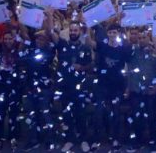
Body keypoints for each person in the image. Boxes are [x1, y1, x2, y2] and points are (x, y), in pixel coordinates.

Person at [54, 21, 93, 151]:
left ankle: (83, 140)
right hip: (65, 86)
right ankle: (69, 140)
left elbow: (90, 66)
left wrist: (81, 67)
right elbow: (50, 33)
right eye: (71, 30)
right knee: (66, 114)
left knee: (81, 114)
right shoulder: (63, 45)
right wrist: (49, 16)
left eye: (75, 30)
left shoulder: (85, 48)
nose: (73, 33)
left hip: (80, 87)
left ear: (80, 32)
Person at [90, 23, 130, 149]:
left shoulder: (123, 49)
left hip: (117, 86)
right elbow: (90, 43)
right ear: (107, 34)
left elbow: (128, 62)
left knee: (116, 112)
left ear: (118, 34)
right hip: (102, 85)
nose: (112, 35)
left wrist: (122, 23)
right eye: (110, 32)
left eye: (114, 32)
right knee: (99, 111)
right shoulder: (102, 46)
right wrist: (86, 27)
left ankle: (116, 139)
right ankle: (97, 139)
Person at [124, 27, 156, 150]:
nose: (141, 40)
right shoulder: (132, 51)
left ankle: (153, 142)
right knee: (136, 116)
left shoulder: (155, 52)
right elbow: (125, 53)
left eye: (144, 37)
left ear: (148, 38)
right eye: (139, 38)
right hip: (136, 89)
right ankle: (137, 141)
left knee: (152, 116)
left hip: (151, 89)